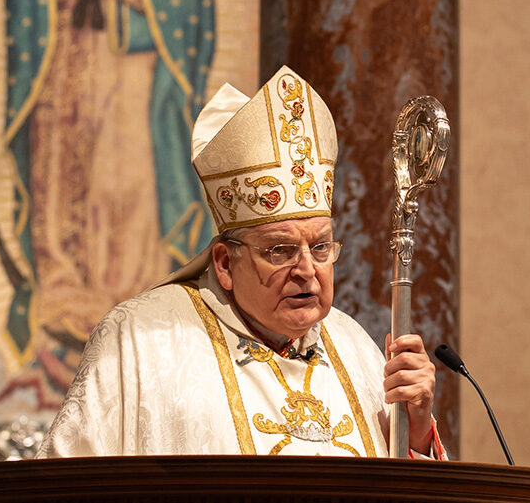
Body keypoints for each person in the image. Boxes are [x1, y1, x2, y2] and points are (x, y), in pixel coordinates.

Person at [37, 66, 443, 457]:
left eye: (320, 248)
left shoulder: (354, 346)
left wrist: (418, 430)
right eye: (280, 251)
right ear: (225, 264)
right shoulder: (141, 340)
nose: (306, 270)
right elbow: (68, 486)